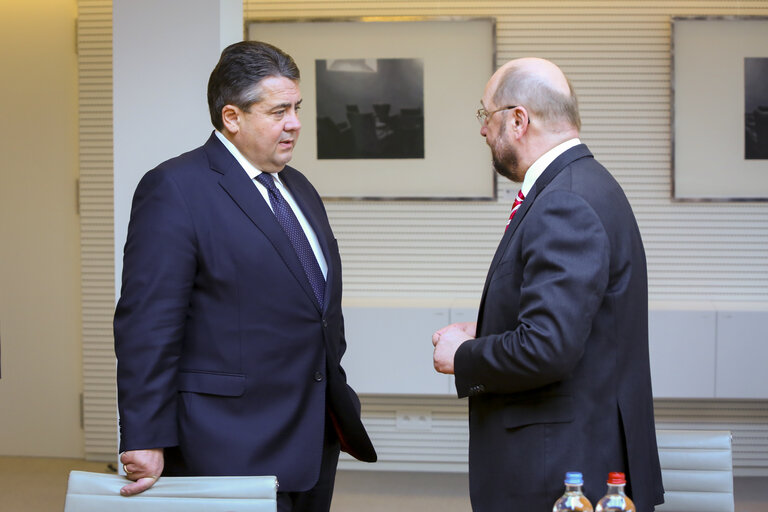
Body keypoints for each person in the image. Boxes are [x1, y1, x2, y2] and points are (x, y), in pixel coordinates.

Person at [114, 41, 376, 512]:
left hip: (311, 433)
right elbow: (147, 327)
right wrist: (144, 435)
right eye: (278, 111)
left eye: (297, 108)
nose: (295, 123)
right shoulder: (175, 189)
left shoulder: (298, 188)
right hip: (224, 442)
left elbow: (314, 309)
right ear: (232, 117)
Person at [432, 58, 664, 511]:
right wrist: (490, 329)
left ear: (518, 120)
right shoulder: (585, 185)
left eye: (486, 115)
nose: (483, 131)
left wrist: (462, 355)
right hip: (571, 456)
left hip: (557, 473)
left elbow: (547, 348)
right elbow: (574, 324)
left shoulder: (565, 201)